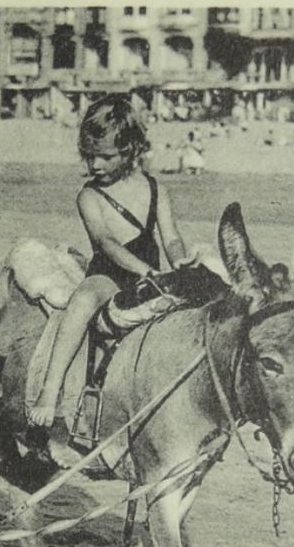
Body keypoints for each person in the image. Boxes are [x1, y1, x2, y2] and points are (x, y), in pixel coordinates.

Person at [28, 94, 190, 429]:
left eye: (105, 156)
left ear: (130, 150)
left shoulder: (155, 189)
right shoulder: (89, 196)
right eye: (89, 156)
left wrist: (182, 266)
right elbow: (105, 242)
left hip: (152, 274)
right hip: (110, 274)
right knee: (84, 299)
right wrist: (147, 271)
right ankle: (50, 388)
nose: (95, 165)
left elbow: (171, 237)